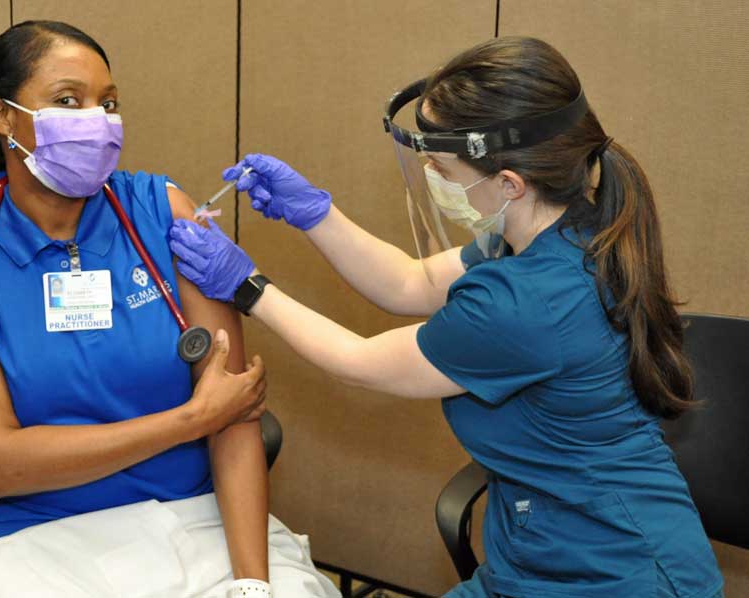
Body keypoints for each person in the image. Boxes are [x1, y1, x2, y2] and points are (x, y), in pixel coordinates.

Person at [169, 37, 724, 598]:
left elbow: (359, 361)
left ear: (509, 183)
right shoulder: (555, 229)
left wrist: (248, 288)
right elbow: (413, 282)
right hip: (544, 557)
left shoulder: (526, 306)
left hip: (620, 574)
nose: (432, 174)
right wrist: (315, 213)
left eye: (441, 168)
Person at [0, 20, 338, 598]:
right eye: (67, 101)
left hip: (191, 521)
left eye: (108, 103)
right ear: (2, 117)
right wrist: (187, 421)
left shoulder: (161, 211)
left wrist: (252, 583)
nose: (98, 121)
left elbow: (233, 413)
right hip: (31, 542)